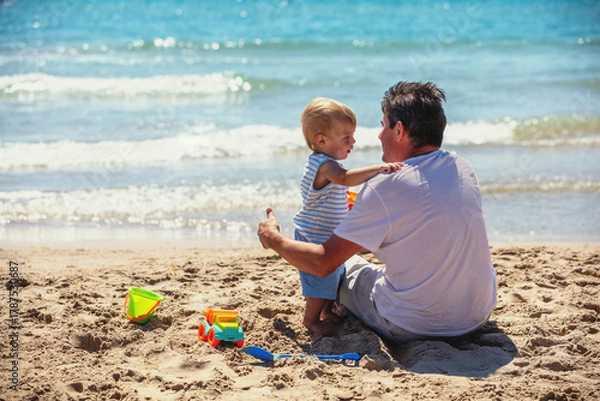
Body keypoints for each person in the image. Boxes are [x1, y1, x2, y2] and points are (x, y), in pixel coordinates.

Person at [258, 81, 497, 342]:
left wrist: (275, 240)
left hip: (411, 324)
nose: (379, 135)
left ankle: (321, 312)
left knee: (344, 265)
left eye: (383, 126)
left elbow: (322, 263)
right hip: (475, 315)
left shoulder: (386, 186)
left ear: (399, 130)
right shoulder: (463, 167)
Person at [292, 97, 403, 336]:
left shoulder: (328, 164)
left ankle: (325, 311)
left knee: (336, 273)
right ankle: (311, 319)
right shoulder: (324, 165)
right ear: (321, 140)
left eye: (352, 135)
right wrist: (379, 168)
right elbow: (345, 178)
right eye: (346, 138)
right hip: (314, 235)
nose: (353, 141)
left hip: (326, 232)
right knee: (320, 281)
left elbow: (338, 190)